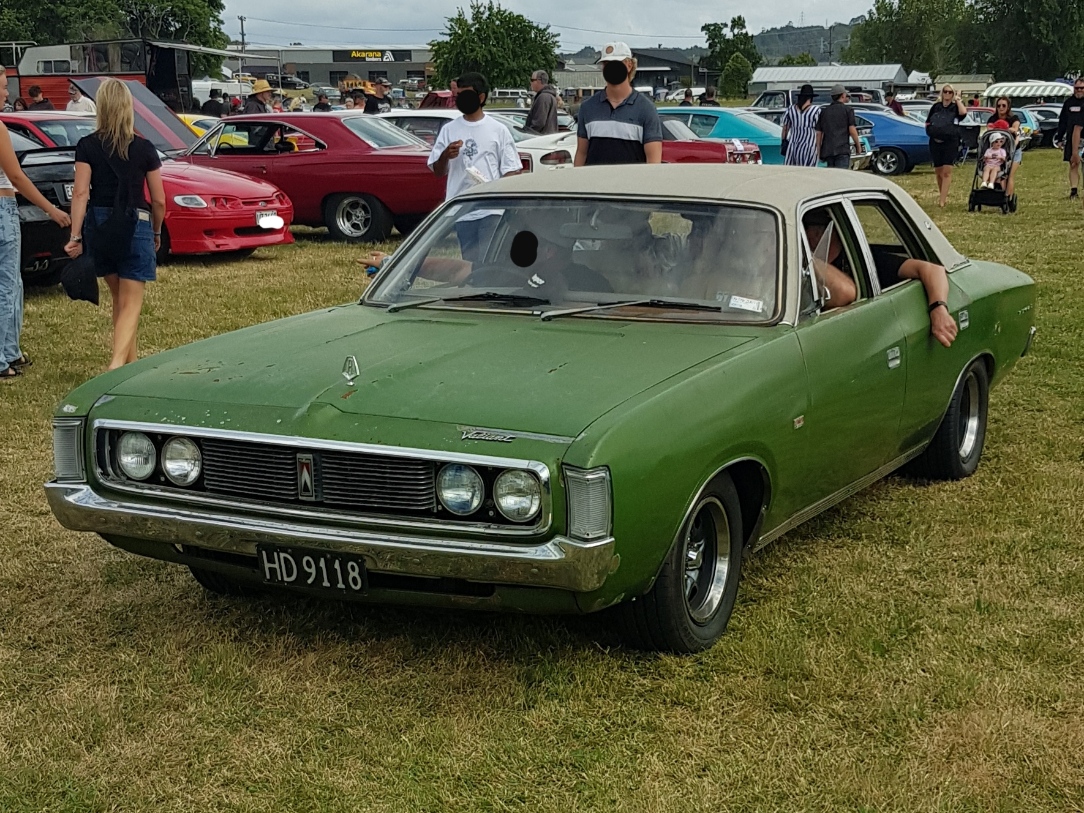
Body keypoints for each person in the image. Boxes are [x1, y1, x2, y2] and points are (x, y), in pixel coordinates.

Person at [64, 79, 166, 371]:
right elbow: (158, 200)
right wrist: (157, 231)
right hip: (137, 223)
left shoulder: (87, 146)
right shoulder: (145, 148)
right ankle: (117, 365)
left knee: (119, 298)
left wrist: (75, 235)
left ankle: (130, 365)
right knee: (132, 302)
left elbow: (81, 193)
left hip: (100, 223)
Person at [0, 81, 72, 381]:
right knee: (7, 284)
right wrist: (50, 209)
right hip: (3, 208)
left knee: (12, 282)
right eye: (2, 87)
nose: (6, 93)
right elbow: (15, 175)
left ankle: (10, 349)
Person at [803, 209, 958, 347]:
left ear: (818, 233)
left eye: (805, 231)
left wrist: (938, 308)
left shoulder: (868, 259)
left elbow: (932, 269)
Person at [427, 72, 521, 260]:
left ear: (481, 97)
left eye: (466, 95)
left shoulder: (498, 130)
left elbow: (512, 170)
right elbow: (437, 171)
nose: (461, 100)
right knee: (470, 263)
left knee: (488, 261)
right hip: (462, 208)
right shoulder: (449, 129)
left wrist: (505, 201)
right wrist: (446, 155)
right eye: (458, 95)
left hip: (491, 209)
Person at [574, 42, 663, 167]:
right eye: (606, 64)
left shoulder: (646, 109)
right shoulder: (587, 108)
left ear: (629, 65)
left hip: (630, 185)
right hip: (594, 185)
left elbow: (653, 162)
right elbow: (581, 153)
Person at [925, 84, 966, 207]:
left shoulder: (955, 107)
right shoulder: (936, 107)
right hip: (935, 142)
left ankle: (942, 201)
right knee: (938, 172)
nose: (947, 94)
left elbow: (963, 114)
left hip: (950, 142)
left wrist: (958, 100)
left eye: (950, 92)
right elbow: (928, 121)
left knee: (947, 171)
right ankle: (941, 192)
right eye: (945, 92)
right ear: (942, 93)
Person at [815, 85, 862, 169]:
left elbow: (819, 133)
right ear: (843, 95)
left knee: (831, 178)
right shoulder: (848, 110)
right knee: (841, 178)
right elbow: (852, 130)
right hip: (842, 150)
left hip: (828, 150)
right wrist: (858, 146)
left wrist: (819, 151)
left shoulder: (824, 111)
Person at [1055, 77, 1084, 199]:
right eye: (1077, 88)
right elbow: (1062, 122)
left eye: (1082, 88)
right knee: (1073, 164)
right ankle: (1074, 191)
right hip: (1072, 137)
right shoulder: (1068, 103)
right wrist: (1059, 138)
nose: (1079, 90)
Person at [986, 96, 1022, 197]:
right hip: (998, 150)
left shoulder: (1014, 118)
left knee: (1009, 175)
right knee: (999, 175)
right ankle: (998, 195)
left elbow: (1015, 127)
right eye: (998, 106)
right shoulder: (993, 119)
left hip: (1013, 150)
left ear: (1008, 107)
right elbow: (989, 128)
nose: (1001, 108)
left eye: (1003, 105)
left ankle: (1008, 198)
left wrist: (1010, 129)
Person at [781, 84, 820, 167]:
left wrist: (783, 141)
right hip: (809, 146)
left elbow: (785, 129)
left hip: (793, 145)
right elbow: (819, 132)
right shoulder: (816, 111)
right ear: (810, 98)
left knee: (791, 171)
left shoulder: (791, 109)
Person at [525, 70, 559, 135]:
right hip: (548, 137)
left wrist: (528, 134)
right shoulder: (550, 95)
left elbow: (539, 122)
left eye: (532, 80)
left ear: (539, 80)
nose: (530, 83)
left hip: (541, 139)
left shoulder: (543, 97)